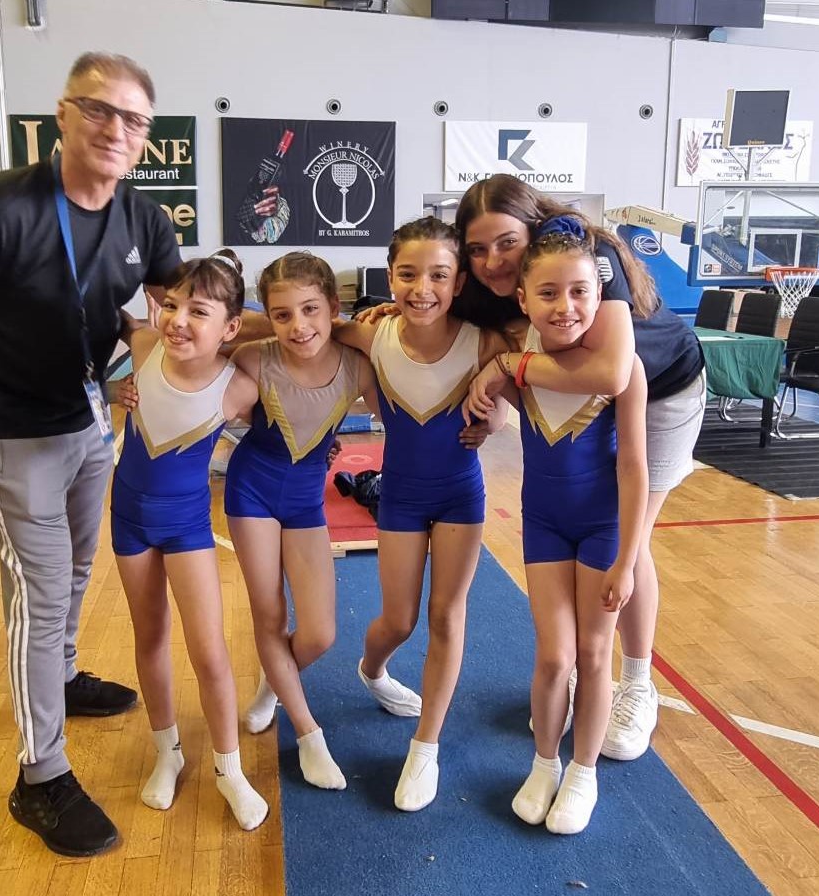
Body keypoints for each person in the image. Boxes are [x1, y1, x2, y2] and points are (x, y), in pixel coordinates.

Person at [0, 52, 184, 857]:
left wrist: (311, 330)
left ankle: (61, 678)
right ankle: (40, 776)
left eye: (133, 119)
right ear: (61, 114)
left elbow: (175, 311)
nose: (115, 129)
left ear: (145, 136)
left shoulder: (143, 219)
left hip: (89, 423)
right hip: (13, 432)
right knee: (37, 592)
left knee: (74, 571)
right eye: (98, 109)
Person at [459, 175, 706, 763]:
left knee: (629, 538)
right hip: (581, 400)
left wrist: (509, 366)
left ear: (535, 228)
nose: (493, 261)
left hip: (663, 386)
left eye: (506, 243)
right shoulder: (499, 283)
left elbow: (611, 372)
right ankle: (573, 673)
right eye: (477, 248)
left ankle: (637, 683)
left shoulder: (586, 252)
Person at [335, 217, 508, 812]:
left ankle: (425, 745)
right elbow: (304, 328)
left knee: (446, 615)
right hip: (402, 496)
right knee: (399, 619)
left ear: (459, 282)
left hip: (461, 494)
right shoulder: (372, 334)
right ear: (390, 278)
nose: (422, 288)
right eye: (408, 275)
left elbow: (511, 390)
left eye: (438, 275)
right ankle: (371, 670)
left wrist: (493, 416)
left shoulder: (484, 341)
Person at [481, 226, 646, 834]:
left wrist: (628, 559)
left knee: (595, 653)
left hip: (603, 529)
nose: (566, 307)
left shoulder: (623, 370)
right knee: (554, 656)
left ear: (600, 295)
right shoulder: (521, 365)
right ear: (522, 299)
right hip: (544, 524)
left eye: (580, 291)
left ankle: (583, 772)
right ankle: (545, 762)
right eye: (548, 293)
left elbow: (634, 468)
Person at [112, 250, 270, 831]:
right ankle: (168, 751)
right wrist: (110, 390)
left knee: (209, 651)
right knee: (149, 636)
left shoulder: (240, 387)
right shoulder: (144, 347)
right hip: (128, 520)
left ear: (231, 327)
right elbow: (113, 316)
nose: (177, 320)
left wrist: (324, 446)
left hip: (187, 527)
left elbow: (290, 413)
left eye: (198, 311)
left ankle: (230, 769)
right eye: (171, 305)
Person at [225, 252, 377, 792]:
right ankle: (309, 733)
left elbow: (407, 413)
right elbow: (200, 357)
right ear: (265, 316)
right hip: (252, 491)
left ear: (333, 307)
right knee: (270, 615)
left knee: (320, 633)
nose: (298, 326)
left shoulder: (357, 365)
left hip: (306, 499)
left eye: (311, 309)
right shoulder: (253, 357)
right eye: (282, 314)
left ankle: (274, 683)